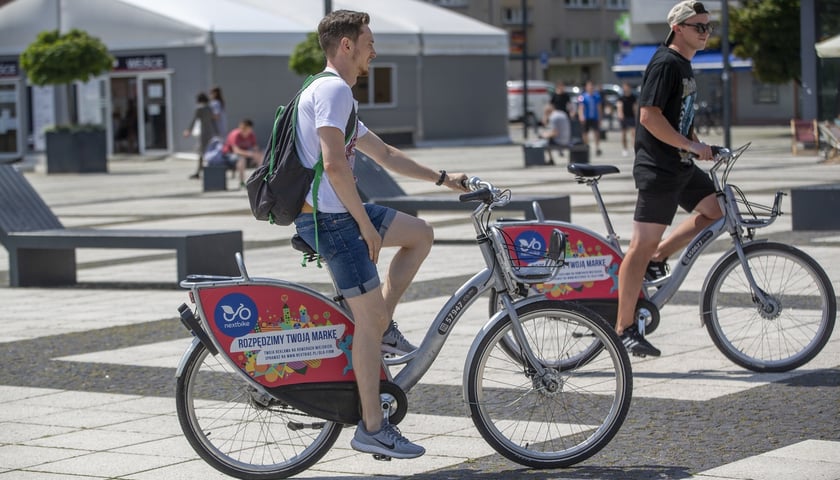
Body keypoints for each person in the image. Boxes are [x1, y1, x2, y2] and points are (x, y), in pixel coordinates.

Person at [293, 9, 468, 459]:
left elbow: (385, 154)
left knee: (420, 234)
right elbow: (333, 164)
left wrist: (444, 179)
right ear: (346, 45)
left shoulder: (339, 95)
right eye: (369, 40)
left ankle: (381, 325)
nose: (375, 49)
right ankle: (372, 427)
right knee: (365, 324)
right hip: (331, 221)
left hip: (339, 213)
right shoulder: (332, 90)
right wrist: (366, 226)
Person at [615, 0, 718, 357]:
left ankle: (661, 254)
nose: (706, 33)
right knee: (638, 247)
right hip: (659, 168)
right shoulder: (666, 63)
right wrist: (690, 144)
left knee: (716, 209)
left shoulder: (685, 65)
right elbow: (649, 117)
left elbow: (679, 116)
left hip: (681, 165)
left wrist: (699, 146)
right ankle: (624, 327)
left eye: (708, 26)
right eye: (699, 27)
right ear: (678, 28)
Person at [183, 92, 218, 179]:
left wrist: (188, 130)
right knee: (212, 151)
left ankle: (199, 171)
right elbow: (214, 119)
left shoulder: (199, 109)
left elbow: (194, 120)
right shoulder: (210, 108)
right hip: (211, 132)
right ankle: (209, 170)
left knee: (201, 153)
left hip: (204, 133)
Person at [222, 118, 263, 187]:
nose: (243, 130)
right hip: (229, 155)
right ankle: (241, 182)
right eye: (242, 128)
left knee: (260, 157)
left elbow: (255, 148)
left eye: (245, 128)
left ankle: (260, 180)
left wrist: (257, 154)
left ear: (250, 128)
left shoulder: (251, 135)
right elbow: (236, 151)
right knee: (241, 160)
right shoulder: (235, 134)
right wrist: (250, 154)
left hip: (245, 154)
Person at [577, 80, 603, 156]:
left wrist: (600, 117)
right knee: (585, 133)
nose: (591, 87)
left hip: (595, 117)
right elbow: (581, 107)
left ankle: (597, 148)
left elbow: (599, 107)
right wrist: (581, 116)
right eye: (589, 86)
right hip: (586, 117)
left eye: (592, 86)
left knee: (597, 133)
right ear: (586, 87)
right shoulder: (583, 96)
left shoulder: (597, 96)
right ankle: (586, 147)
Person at [617, 81, 638, 157]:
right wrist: (620, 114)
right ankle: (624, 149)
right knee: (623, 134)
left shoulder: (633, 97)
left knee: (634, 134)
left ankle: (634, 147)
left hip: (631, 117)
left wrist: (636, 116)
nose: (625, 89)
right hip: (624, 117)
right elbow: (619, 106)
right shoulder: (621, 97)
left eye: (627, 87)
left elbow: (635, 107)